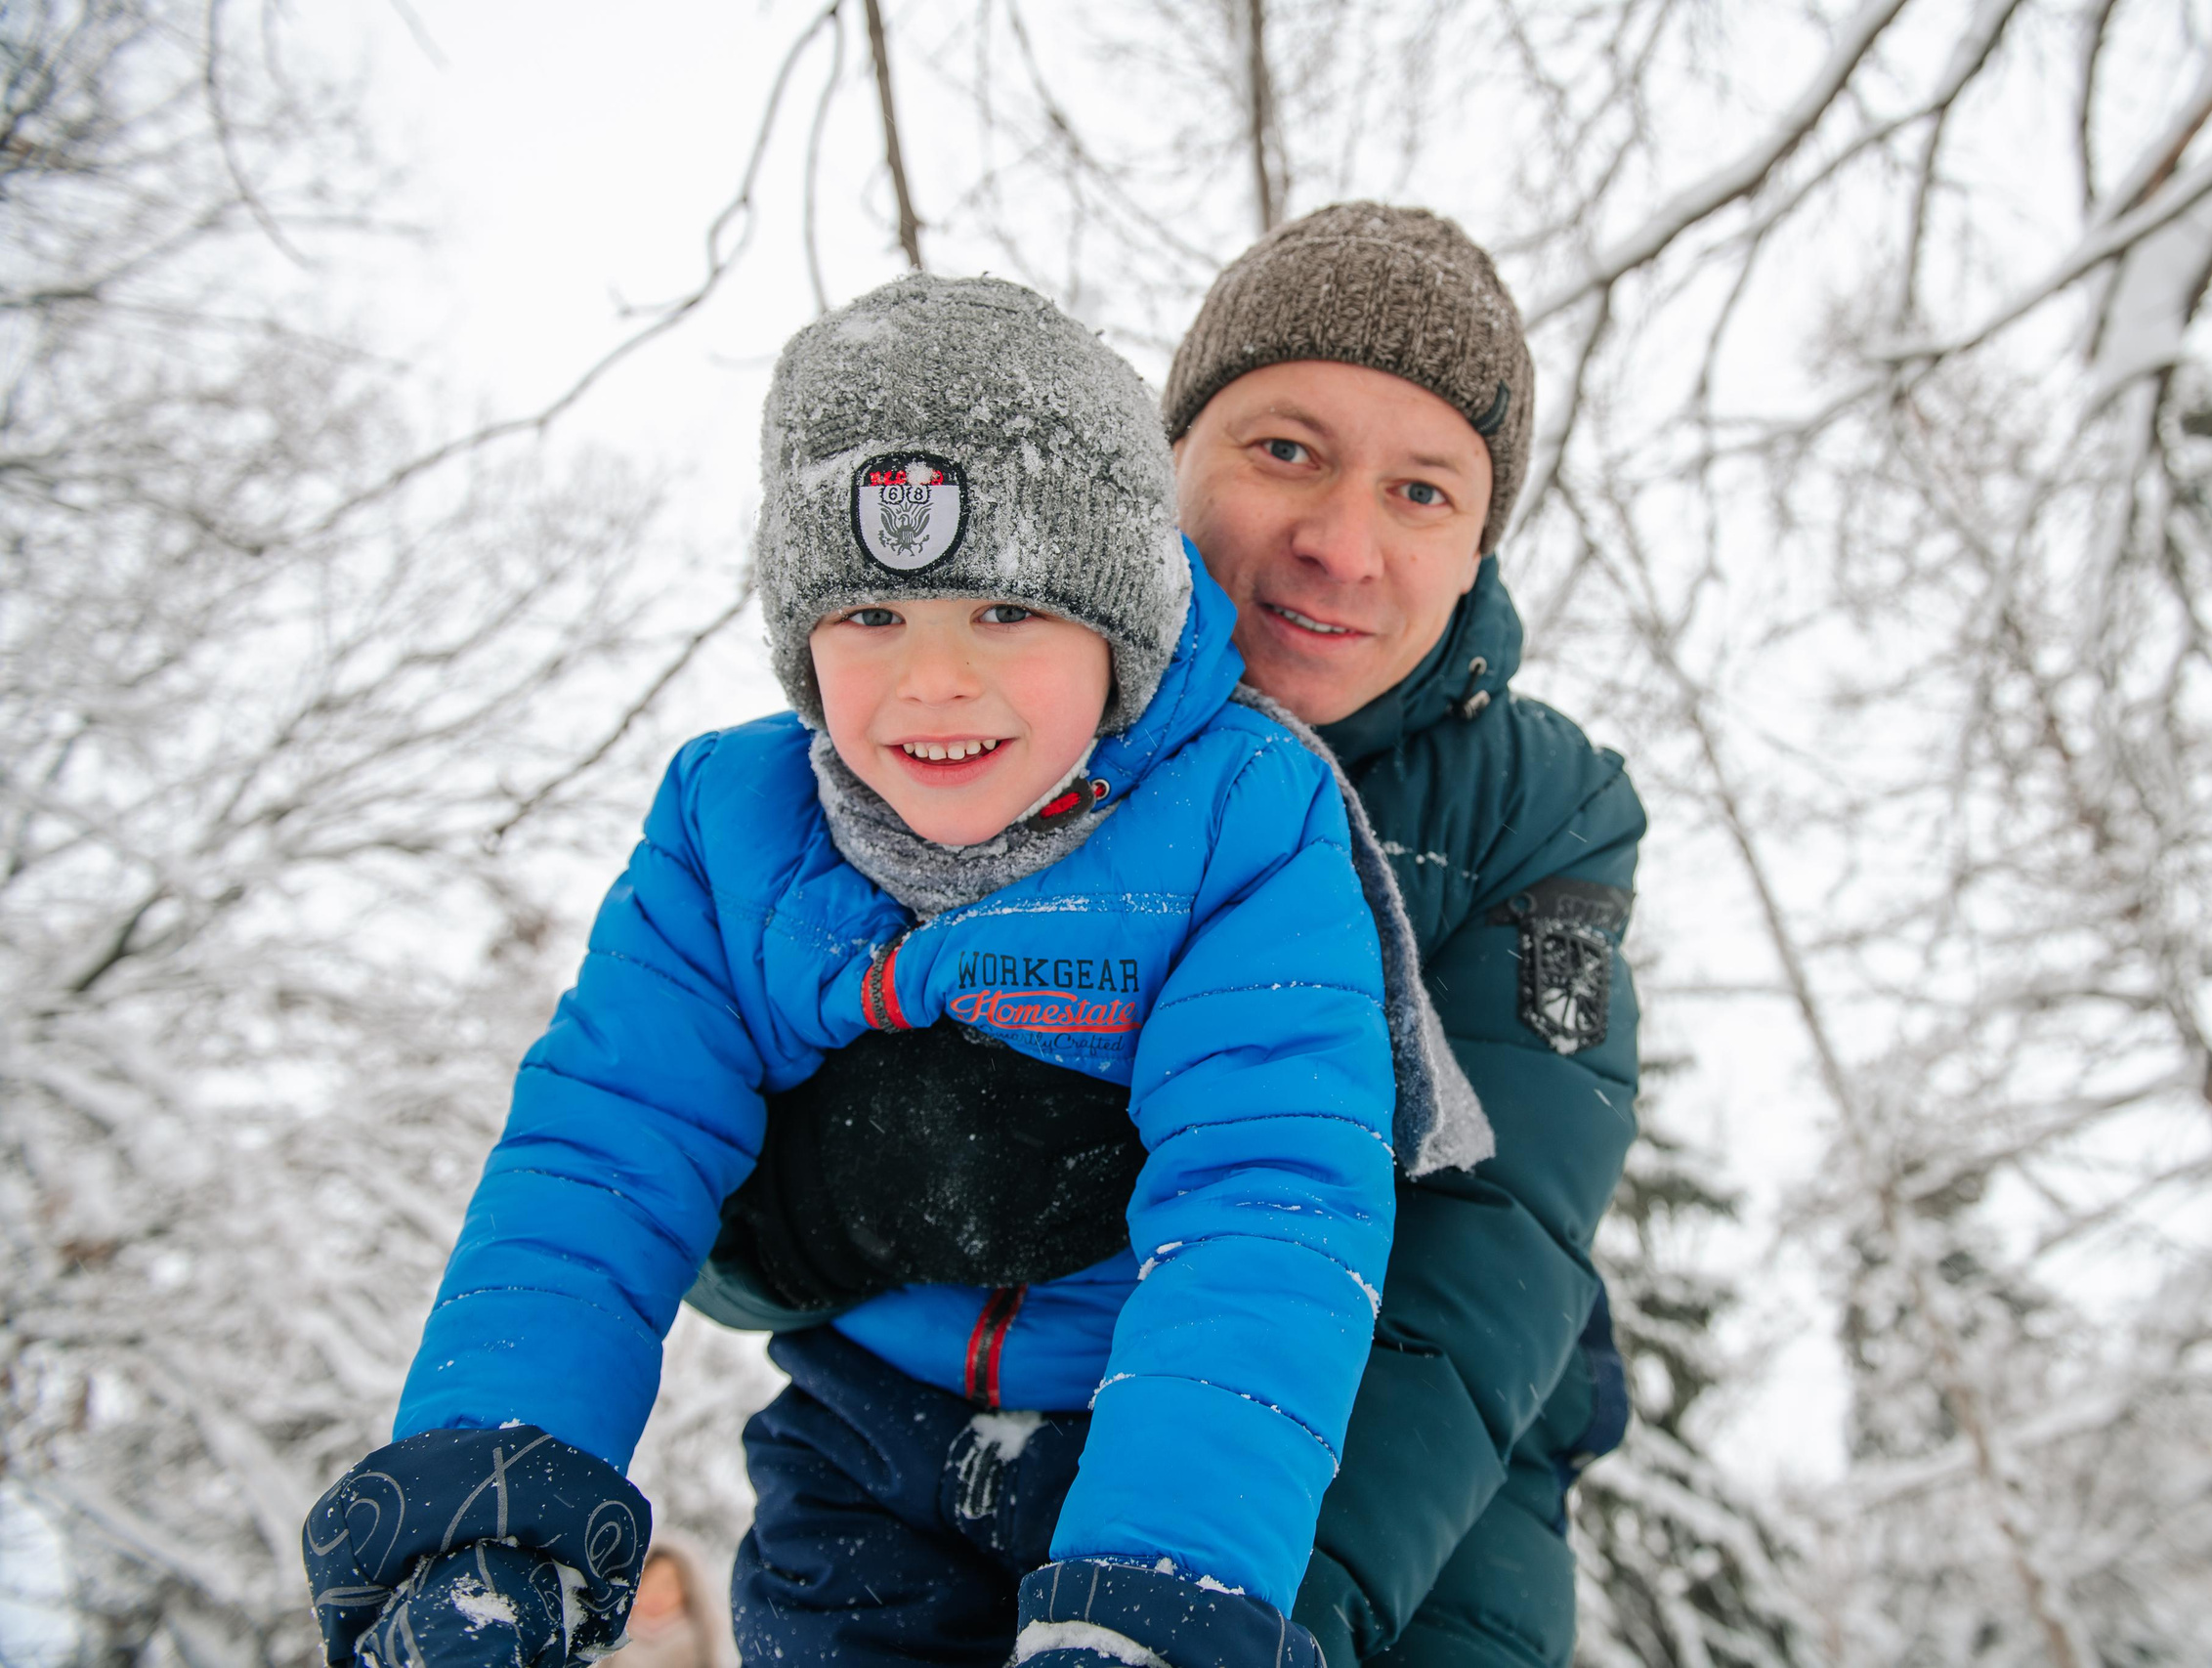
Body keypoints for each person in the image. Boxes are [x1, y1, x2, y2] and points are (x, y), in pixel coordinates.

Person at [300, 274, 1493, 1668]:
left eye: (1002, 613)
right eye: (872, 617)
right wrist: (490, 1500)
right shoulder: (729, 827)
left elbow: (1268, 1203)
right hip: (861, 1439)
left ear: (1117, 625)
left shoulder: (1242, 817)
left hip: (1150, 1433)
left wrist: (1164, 1591)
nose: (933, 682)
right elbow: (600, 1155)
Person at [721, 205, 1646, 1665]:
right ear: (1164, 462)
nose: (1342, 545)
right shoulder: (951, 722)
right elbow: (670, 1130)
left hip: (1394, 1540)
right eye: (1286, 450)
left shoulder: (1540, 814)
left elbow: (1485, 1263)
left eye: (1423, 492)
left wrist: (1246, 1621)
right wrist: (834, 1198)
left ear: (1478, 550)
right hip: (912, 1499)